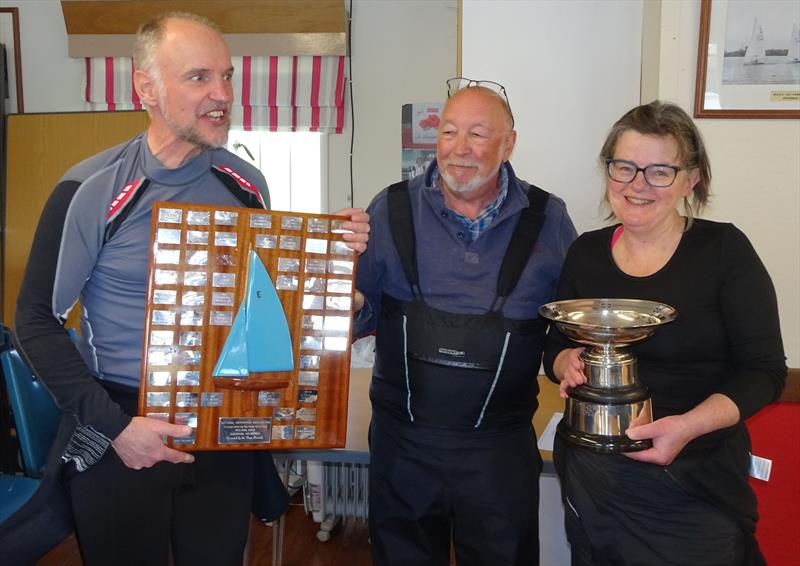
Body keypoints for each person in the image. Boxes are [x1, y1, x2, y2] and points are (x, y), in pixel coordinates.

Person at [7, 12, 369, 566]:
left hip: (220, 426)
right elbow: (35, 318)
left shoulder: (246, 183)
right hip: (120, 423)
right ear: (146, 87)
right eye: (199, 77)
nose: (222, 94)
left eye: (227, 76)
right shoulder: (91, 188)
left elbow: (256, 304)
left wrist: (332, 272)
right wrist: (119, 429)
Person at [543, 100, 786, 566]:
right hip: (594, 477)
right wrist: (562, 363)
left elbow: (764, 371)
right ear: (607, 170)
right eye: (624, 167)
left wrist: (687, 427)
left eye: (659, 171)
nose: (637, 185)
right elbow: (555, 344)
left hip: (692, 479)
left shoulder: (724, 252)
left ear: (690, 179)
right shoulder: (585, 254)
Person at [355, 78, 578, 565]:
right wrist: (337, 295)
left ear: (509, 143)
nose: (460, 149)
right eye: (449, 131)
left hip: (499, 452)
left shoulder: (549, 220)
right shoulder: (389, 210)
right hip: (403, 446)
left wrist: (572, 360)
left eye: (478, 134)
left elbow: (565, 329)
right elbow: (357, 318)